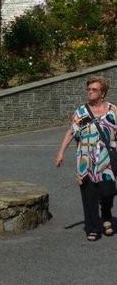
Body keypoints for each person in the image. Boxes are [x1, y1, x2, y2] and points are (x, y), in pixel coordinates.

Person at [56, 77, 117, 241]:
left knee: (108, 191)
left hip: (107, 158)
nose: (90, 92)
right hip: (86, 158)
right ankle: (93, 227)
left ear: (102, 92)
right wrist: (61, 151)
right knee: (89, 194)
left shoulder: (113, 110)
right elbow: (71, 132)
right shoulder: (81, 111)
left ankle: (105, 215)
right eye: (88, 89)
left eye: (94, 89)